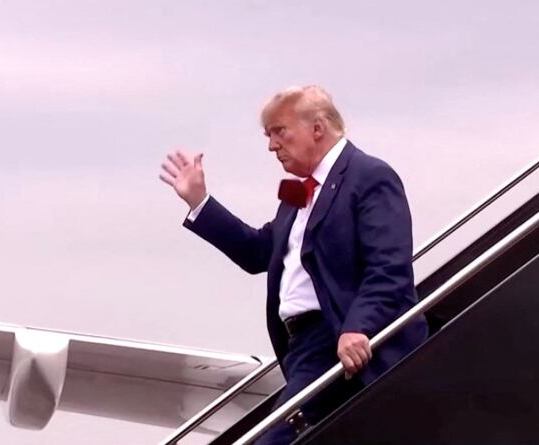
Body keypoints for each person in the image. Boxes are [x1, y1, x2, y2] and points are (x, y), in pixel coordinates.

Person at [159, 85, 427, 444]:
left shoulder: (369, 177)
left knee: (271, 441)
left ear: (317, 128)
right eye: (268, 135)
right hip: (300, 349)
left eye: (278, 131)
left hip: (334, 338)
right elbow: (257, 253)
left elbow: (389, 268)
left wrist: (358, 327)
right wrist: (199, 202)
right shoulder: (300, 195)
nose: (271, 145)